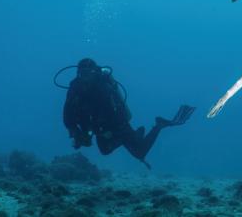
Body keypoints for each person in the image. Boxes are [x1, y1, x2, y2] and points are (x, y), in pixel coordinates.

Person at [62, 58, 193, 168]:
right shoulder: (74, 89)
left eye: (89, 73)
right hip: (99, 127)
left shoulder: (102, 88)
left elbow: (112, 113)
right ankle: (136, 135)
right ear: (78, 73)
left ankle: (159, 125)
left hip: (118, 124)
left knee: (139, 153)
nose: (86, 77)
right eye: (83, 73)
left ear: (95, 73)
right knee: (105, 150)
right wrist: (77, 133)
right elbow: (67, 115)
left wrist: (101, 132)